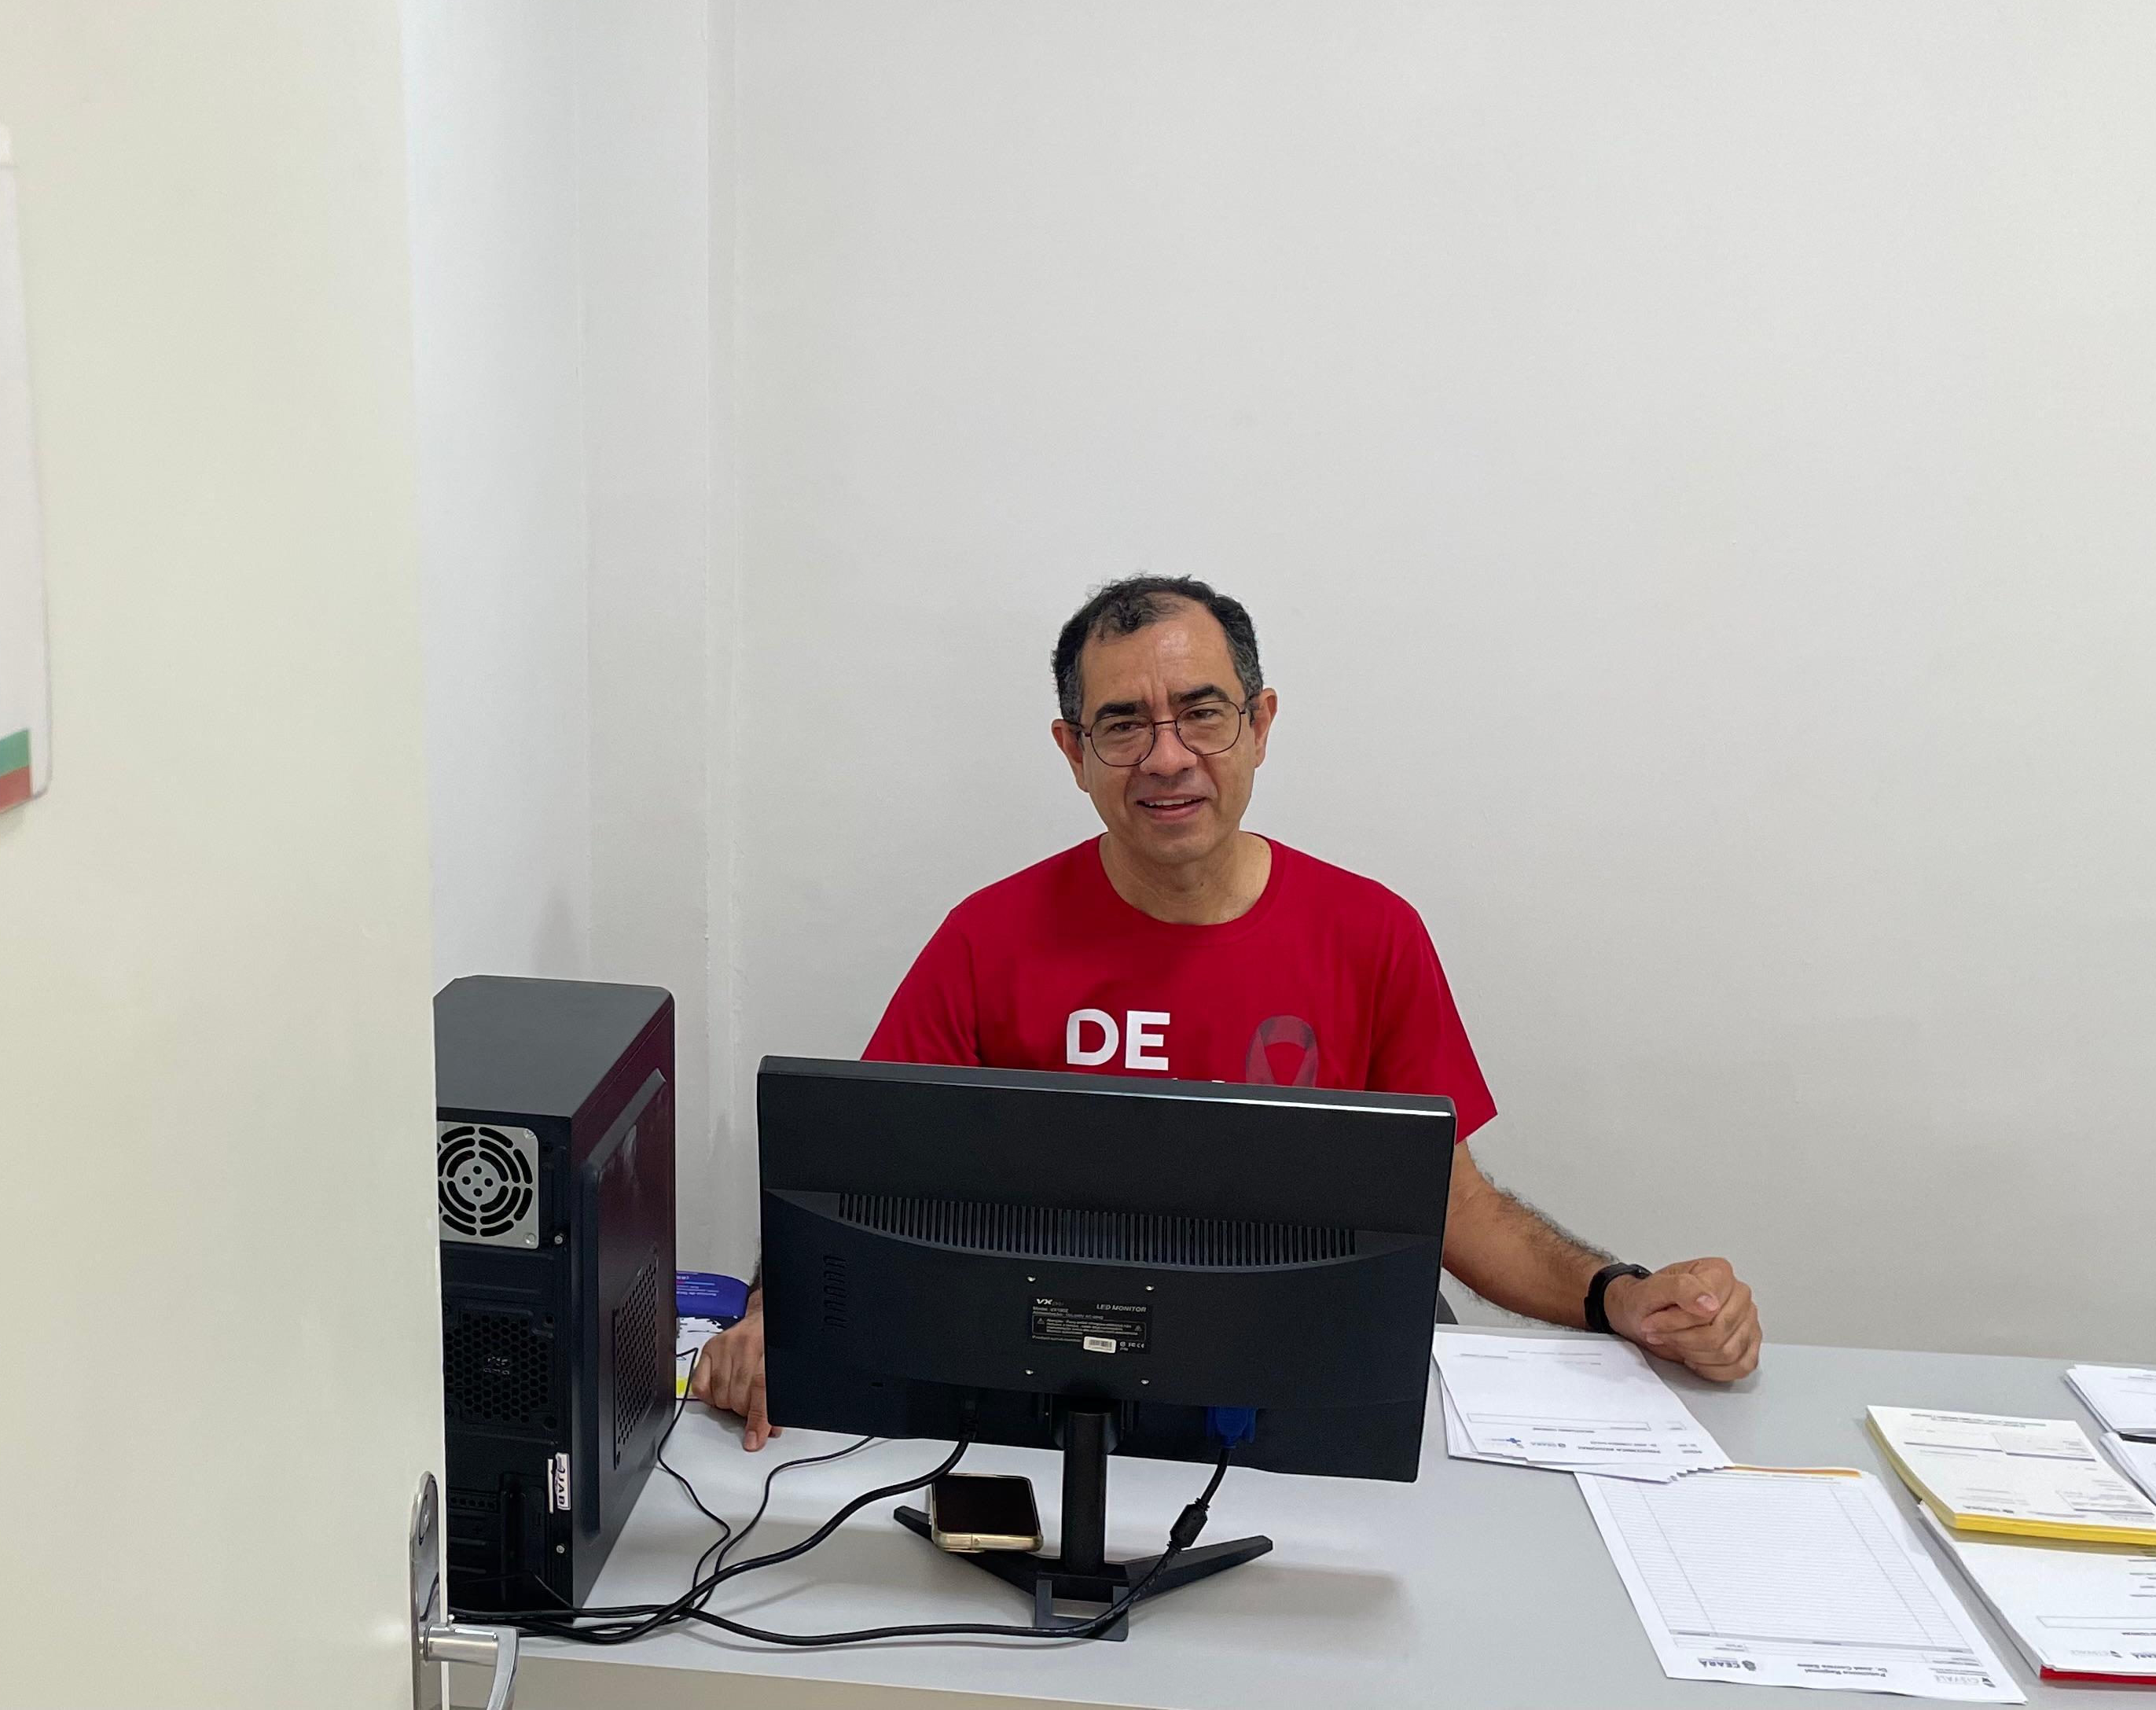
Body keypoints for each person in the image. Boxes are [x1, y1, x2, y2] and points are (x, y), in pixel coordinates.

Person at [692, 574, 1762, 1449]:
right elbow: (863, 1179)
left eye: (1201, 712)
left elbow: (1454, 1206)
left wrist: (1620, 1293)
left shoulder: (1369, 933)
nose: (1168, 756)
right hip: (1040, 1400)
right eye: (1123, 725)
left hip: (1303, 1402)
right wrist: (767, 1314)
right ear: (1074, 754)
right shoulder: (990, 937)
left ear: (1258, 724)